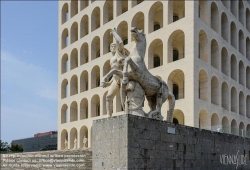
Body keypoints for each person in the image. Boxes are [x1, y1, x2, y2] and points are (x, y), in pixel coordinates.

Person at [100, 28, 129, 116]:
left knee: (123, 99)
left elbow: (120, 42)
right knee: (108, 97)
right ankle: (109, 116)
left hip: (122, 77)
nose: (113, 47)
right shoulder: (111, 59)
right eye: (111, 46)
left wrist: (114, 34)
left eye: (114, 46)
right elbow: (113, 74)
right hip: (115, 79)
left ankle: (127, 115)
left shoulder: (119, 53)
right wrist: (108, 83)